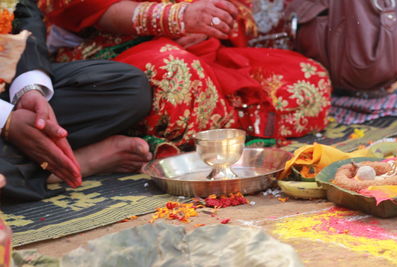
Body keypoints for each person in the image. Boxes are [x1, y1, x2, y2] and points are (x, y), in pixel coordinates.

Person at [39, 0, 332, 155]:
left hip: (204, 51)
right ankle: (120, 144)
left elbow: (239, 9)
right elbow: (84, 7)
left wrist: (212, 21)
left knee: (309, 80)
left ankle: (204, 129)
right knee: (176, 74)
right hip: (117, 55)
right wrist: (175, 18)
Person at [0, 0, 153, 202]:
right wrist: (6, 120)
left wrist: (30, 91)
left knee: (128, 87)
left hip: (7, 82)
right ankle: (72, 164)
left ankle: (40, 160)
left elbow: (22, 12)